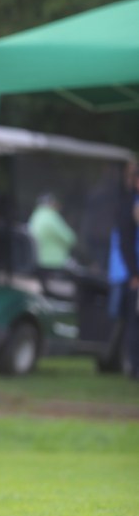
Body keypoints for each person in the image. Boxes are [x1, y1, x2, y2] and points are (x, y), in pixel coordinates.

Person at [114, 162, 139, 378]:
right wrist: (134, 274)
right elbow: (126, 243)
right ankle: (135, 368)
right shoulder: (129, 205)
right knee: (134, 322)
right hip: (136, 275)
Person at [27, 193, 77, 271]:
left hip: (37, 259)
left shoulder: (36, 215)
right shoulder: (51, 216)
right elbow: (70, 238)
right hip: (53, 262)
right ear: (52, 203)